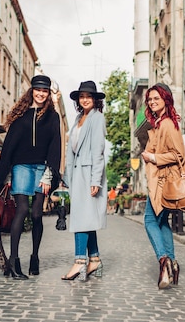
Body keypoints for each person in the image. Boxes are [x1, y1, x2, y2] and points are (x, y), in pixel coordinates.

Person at [0, 74, 62, 280]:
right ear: (31, 90)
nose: (41, 94)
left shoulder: (52, 116)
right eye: (38, 90)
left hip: (42, 168)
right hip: (21, 167)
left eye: (45, 91)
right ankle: (14, 261)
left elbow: (55, 146)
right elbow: (9, 147)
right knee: (22, 209)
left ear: (48, 93)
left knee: (36, 214)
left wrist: (49, 175)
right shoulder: (20, 116)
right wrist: (5, 175)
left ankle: (35, 256)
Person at [140, 83, 185, 289]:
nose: (152, 102)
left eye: (156, 98)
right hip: (160, 181)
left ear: (166, 99)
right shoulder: (159, 124)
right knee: (162, 222)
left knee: (150, 220)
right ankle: (173, 264)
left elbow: (179, 156)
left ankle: (163, 260)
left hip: (163, 182)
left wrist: (152, 157)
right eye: (150, 99)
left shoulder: (167, 123)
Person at [61, 80, 107, 281]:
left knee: (80, 219)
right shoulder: (79, 118)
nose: (85, 99)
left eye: (89, 96)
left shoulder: (97, 118)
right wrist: (67, 177)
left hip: (89, 175)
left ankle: (80, 261)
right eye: (82, 96)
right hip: (77, 175)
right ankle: (94, 259)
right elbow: (71, 149)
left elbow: (98, 150)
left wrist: (95, 180)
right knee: (85, 218)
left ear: (95, 99)